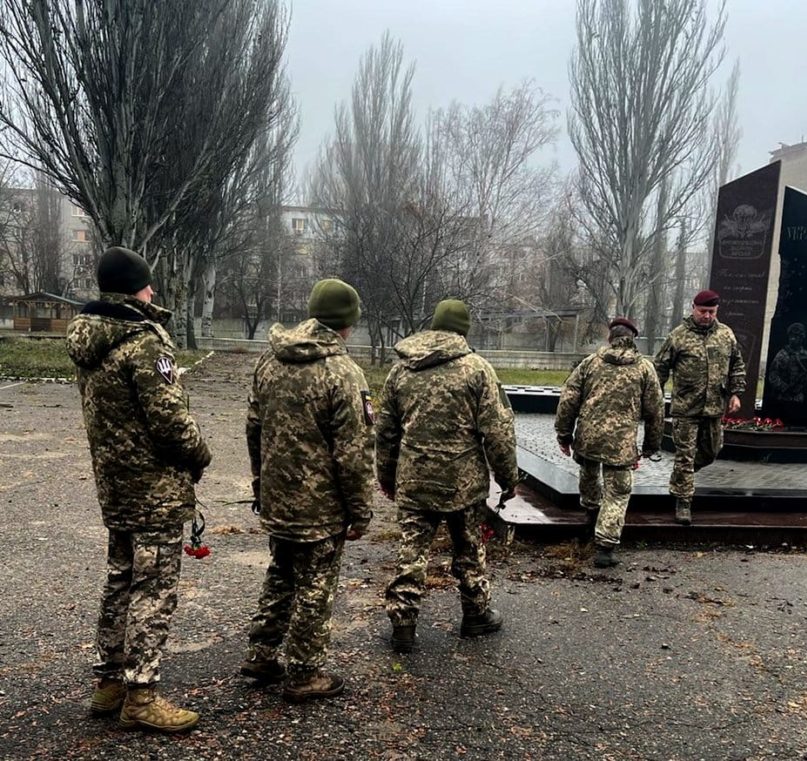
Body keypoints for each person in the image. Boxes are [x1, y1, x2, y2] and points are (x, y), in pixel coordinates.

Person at [66, 246, 212, 733]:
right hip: (155, 489)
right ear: (136, 288)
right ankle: (142, 695)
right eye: (148, 284)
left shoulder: (92, 338)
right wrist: (199, 453)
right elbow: (169, 422)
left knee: (120, 580)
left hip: (116, 485)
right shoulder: (144, 340)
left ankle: (108, 683)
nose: (154, 292)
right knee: (154, 589)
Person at [242, 279, 374, 703]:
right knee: (316, 585)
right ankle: (303, 672)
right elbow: (352, 453)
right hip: (321, 507)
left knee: (280, 573)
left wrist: (262, 484)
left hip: (279, 499)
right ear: (347, 323)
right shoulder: (342, 374)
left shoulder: (270, 360)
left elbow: (254, 429)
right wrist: (360, 510)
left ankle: (261, 653)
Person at [376, 299, 519, 653]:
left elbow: (386, 432)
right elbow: (498, 431)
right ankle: (475, 614)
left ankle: (404, 626)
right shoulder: (478, 371)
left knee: (411, 553)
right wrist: (507, 478)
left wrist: (387, 477)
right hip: (463, 483)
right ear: (463, 331)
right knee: (469, 550)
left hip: (415, 480)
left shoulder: (401, 371)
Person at [554, 317, 664, 568]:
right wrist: (650, 447)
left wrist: (564, 434)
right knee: (618, 493)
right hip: (621, 443)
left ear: (609, 338)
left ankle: (590, 518)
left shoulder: (590, 364)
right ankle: (605, 547)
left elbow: (568, 400)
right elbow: (655, 411)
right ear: (633, 338)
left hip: (588, 438)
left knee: (589, 477)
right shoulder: (644, 369)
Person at [654, 289, 746, 525]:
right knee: (685, 455)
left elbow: (736, 363)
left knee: (712, 451)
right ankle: (683, 503)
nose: (707, 316)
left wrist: (736, 393)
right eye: (703, 311)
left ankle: (679, 479)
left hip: (714, 407)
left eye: (712, 312)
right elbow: (660, 369)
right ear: (693, 308)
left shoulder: (726, 335)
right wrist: (654, 398)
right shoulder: (678, 336)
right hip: (686, 407)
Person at [767, 322, 807, 403]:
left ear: (801, 338)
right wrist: (784, 387)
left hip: (798, 398)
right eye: (791, 336)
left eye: (796, 336)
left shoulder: (806, 355)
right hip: (782, 398)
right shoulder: (782, 354)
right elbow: (772, 375)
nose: (792, 339)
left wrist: (805, 378)